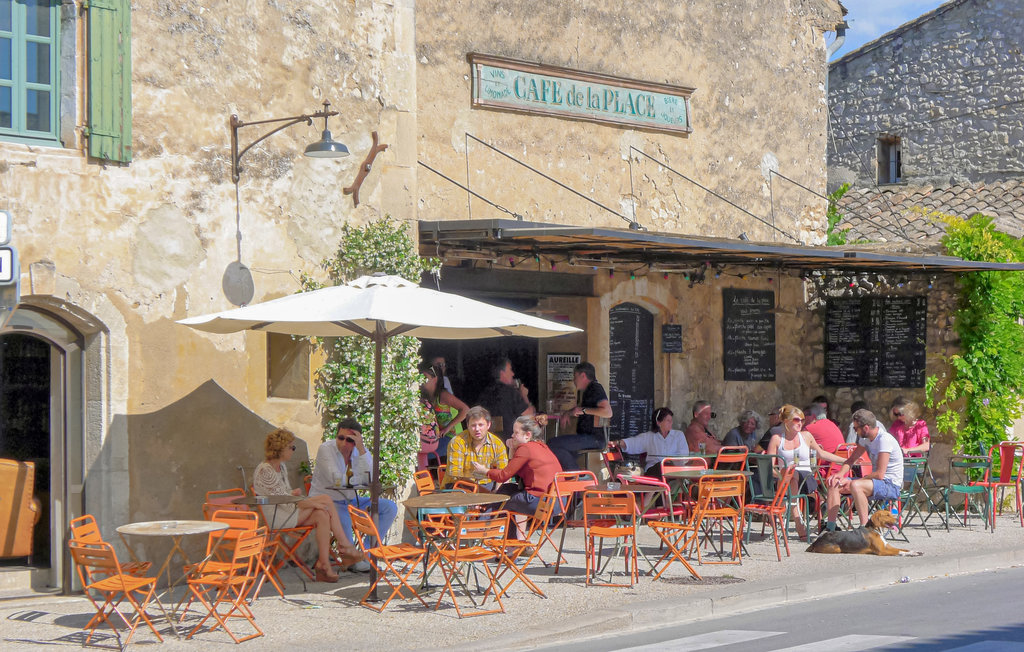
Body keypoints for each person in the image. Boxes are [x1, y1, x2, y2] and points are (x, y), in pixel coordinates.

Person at [254, 427, 363, 583]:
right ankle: (346, 547)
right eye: (291, 447)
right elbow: (284, 502)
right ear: (280, 448)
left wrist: (295, 495)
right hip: (278, 518)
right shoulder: (266, 470)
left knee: (322, 514)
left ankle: (324, 565)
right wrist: (310, 503)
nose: (293, 450)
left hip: (288, 511)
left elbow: (282, 496)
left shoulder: (280, 467)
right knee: (325, 500)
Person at [308, 418, 398, 573]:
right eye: (340, 438)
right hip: (327, 501)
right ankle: (351, 560)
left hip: (349, 500)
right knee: (343, 517)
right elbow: (336, 480)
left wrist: (362, 448)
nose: (344, 443)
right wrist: (361, 479)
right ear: (336, 436)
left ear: (357, 440)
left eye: (349, 439)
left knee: (389, 507)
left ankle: (368, 553)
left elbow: (371, 476)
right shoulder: (326, 449)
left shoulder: (359, 450)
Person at [473, 416, 563, 538]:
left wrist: (485, 471)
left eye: (516, 433)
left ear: (527, 435)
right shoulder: (542, 446)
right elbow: (513, 471)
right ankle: (512, 544)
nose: (512, 436)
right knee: (507, 489)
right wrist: (512, 448)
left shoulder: (526, 448)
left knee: (502, 499)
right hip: (558, 503)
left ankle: (478, 532)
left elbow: (503, 476)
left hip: (540, 503)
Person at [767, 405, 847, 539]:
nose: (800, 423)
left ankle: (783, 511)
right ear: (786, 421)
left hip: (806, 478)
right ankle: (794, 519)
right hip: (784, 479)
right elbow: (769, 468)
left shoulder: (806, 436)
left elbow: (821, 454)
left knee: (791, 474)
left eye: (802, 420)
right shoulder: (776, 439)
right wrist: (782, 475)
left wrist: (846, 461)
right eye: (796, 420)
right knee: (789, 474)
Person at [824, 408, 904, 532]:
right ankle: (831, 527)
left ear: (866, 428)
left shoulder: (884, 440)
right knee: (834, 483)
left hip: (890, 484)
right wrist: (839, 475)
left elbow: (880, 474)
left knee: (856, 485)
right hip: (875, 483)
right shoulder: (865, 438)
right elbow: (850, 460)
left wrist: (854, 481)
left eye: (856, 428)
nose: (855, 431)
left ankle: (865, 528)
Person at [547, 362, 613, 472]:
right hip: (589, 437)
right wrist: (568, 413)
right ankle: (575, 482)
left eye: (575, 376)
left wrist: (583, 410)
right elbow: (579, 410)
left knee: (552, 444)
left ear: (583, 376)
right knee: (563, 457)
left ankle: (575, 476)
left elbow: (608, 412)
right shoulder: (588, 391)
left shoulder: (595, 388)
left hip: (595, 438)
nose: (574, 380)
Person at [611, 407, 689, 479]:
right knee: (661, 466)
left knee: (667, 468)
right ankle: (656, 492)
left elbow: (684, 455)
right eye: (668, 421)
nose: (671, 423)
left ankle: (651, 494)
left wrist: (672, 462)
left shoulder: (678, 435)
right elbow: (634, 443)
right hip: (654, 470)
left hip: (674, 471)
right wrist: (617, 443)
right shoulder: (649, 436)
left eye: (671, 420)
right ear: (658, 422)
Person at [417, 361, 468, 469]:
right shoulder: (423, 396)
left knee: (423, 451)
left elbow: (465, 410)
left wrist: (447, 428)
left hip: (448, 437)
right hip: (434, 437)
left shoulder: (443, 395)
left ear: (435, 379)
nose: (421, 381)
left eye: (425, 378)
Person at [441, 406, 508, 489]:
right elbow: (455, 475)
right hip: (459, 485)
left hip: (486, 485)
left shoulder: (497, 444)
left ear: (488, 425)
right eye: (473, 425)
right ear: (467, 425)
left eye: (480, 425)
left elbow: (503, 474)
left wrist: (497, 493)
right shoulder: (457, 442)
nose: (477, 429)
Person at [476, 358, 537, 441]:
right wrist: (524, 395)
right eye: (510, 370)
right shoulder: (511, 392)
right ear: (502, 373)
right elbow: (529, 415)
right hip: (510, 441)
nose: (512, 374)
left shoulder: (484, 393)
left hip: (489, 441)